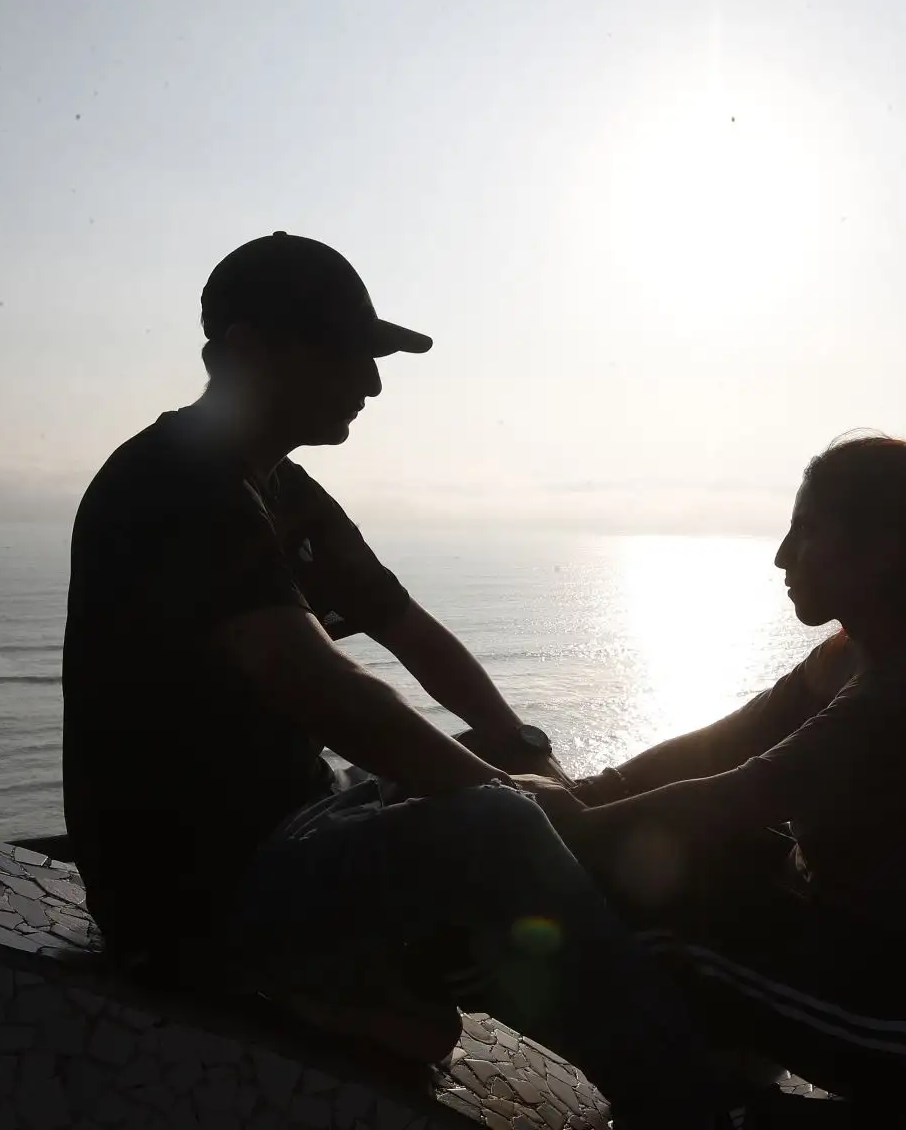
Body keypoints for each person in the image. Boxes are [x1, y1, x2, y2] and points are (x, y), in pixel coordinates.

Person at [60, 232, 752, 1129]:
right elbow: (318, 683)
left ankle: (375, 990)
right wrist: (516, 798)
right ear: (248, 348)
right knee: (500, 826)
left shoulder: (279, 490)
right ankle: (688, 1106)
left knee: (500, 782)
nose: (373, 384)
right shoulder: (175, 485)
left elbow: (409, 632)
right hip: (194, 899)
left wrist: (518, 747)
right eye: (349, 354)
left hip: (288, 831)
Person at [520, 435, 906, 1118]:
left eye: (804, 531)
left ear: (879, 550)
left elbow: (744, 793)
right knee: (667, 862)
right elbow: (722, 744)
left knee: (648, 922)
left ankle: (704, 1111)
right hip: (890, 975)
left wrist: (560, 830)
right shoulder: (855, 654)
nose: (781, 556)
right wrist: (594, 792)